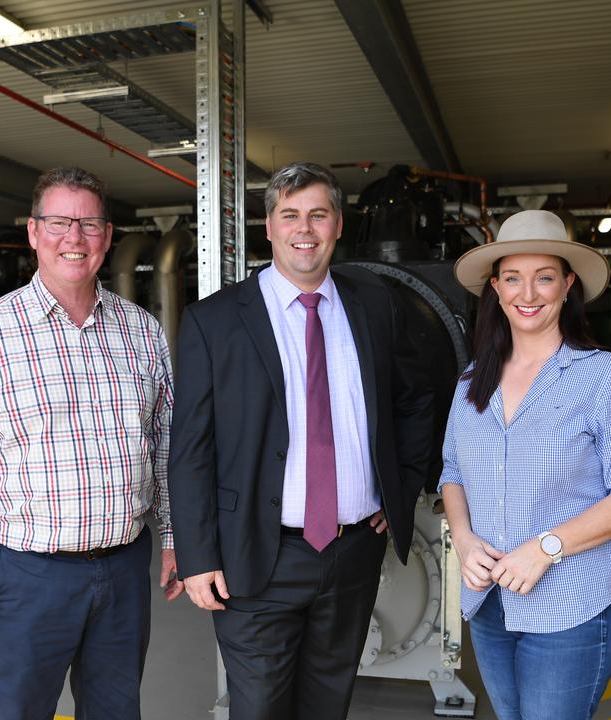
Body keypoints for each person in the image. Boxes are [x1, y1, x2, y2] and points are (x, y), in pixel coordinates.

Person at [0, 166, 182, 720]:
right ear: (34, 233)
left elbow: (165, 449)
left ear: (108, 237)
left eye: (88, 225)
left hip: (125, 565)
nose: (74, 239)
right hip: (30, 575)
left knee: (115, 710)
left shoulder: (143, 331)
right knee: (19, 712)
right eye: (59, 223)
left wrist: (177, 537)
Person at [169, 161, 435, 720]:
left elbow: (415, 400)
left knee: (327, 704)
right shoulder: (214, 321)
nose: (304, 228)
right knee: (260, 708)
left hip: (353, 551)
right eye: (290, 215)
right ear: (268, 227)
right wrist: (197, 556)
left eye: (318, 214)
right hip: (256, 555)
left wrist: (403, 487)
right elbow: (191, 446)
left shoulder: (377, 306)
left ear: (338, 224)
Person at [440, 209, 611, 719]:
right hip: (489, 601)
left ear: (567, 285)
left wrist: (545, 548)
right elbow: (452, 472)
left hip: (573, 604)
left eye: (544, 278)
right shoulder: (473, 382)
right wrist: (466, 540)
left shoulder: (605, 376)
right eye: (513, 278)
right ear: (496, 288)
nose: (528, 293)